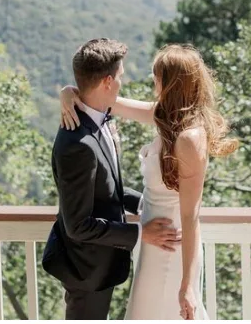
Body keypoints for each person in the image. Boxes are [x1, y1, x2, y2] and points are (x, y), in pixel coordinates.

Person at [60, 43, 238, 320]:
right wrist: (68, 93)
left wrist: (187, 285)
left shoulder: (190, 138)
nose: (152, 81)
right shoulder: (166, 117)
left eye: (157, 77)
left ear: (171, 83)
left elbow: (191, 216)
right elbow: (104, 99)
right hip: (151, 240)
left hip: (171, 243)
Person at [43, 38, 182, 320]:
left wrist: (150, 203)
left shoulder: (97, 117)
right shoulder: (77, 143)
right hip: (86, 269)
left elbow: (107, 190)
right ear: (107, 82)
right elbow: (77, 226)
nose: (123, 82)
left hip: (102, 265)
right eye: (120, 77)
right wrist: (143, 233)